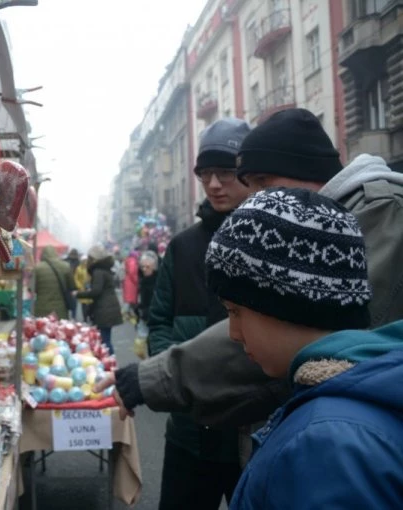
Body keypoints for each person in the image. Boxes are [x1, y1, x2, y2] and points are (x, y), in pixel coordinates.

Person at [99, 109, 403, 463]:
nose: (252, 197)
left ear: (306, 172)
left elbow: (287, 335)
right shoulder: (191, 243)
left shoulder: (380, 212)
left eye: (261, 183)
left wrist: (156, 377)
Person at [207, 187, 403, 508]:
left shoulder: (325, 444)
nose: (233, 333)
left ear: (288, 304)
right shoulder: (342, 411)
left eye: (236, 311)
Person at [145, 117, 252, 510]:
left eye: (225, 172)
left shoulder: (270, 238)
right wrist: (178, 382)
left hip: (253, 435)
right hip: (191, 434)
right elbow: (158, 321)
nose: (214, 184)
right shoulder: (183, 246)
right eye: (206, 174)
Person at [74, 245, 123, 354]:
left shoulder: (98, 272)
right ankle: (110, 361)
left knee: (104, 341)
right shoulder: (104, 269)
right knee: (105, 338)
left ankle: (110, 363)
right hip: (107, 308)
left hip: (104, 310)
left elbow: (96, 291)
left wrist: (79, 294)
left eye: (90, 258)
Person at [33, 245, 75, 320]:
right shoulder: (66, 266)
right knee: (59, 330)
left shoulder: (37, 268)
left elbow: (33, 289)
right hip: (60, 309)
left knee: (42, 329)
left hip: (42, 309)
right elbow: (71, 287)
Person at [133, 251, 159, 359]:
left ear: (154, 267)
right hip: (144, 317)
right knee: (140, 347)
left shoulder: (158, 281)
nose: (144, 269)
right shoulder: (143, 280)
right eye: (142, 267)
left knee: (155, 347)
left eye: (147, 267)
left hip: (156, 319)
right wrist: (138, 308)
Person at [74, 255, 93, 323]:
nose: (85, 262)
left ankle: (90, 316)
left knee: (90, 304)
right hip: (82, 289)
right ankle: (85, 317)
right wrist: (79, 286)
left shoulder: (90, 268)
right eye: (84, 261)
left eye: (86, 261)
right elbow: (76, 278)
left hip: (89, 289)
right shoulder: (78, 268)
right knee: (83, 305)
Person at [122, 251, 139, 323]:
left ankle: (129, 315)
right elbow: (132, 272)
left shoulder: (128, 261)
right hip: (131, 283)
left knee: (129, 300)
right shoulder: (133, 261)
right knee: (129, 300)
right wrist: (136, 280)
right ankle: (123, 314)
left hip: (128, 281)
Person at [65, 249, 81, 318]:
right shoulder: (78, 262)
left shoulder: (65, 261)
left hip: (66, 284)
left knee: (66, 300)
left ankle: (66, 316)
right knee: (74, 302)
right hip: (75, 285)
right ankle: (73, 317)